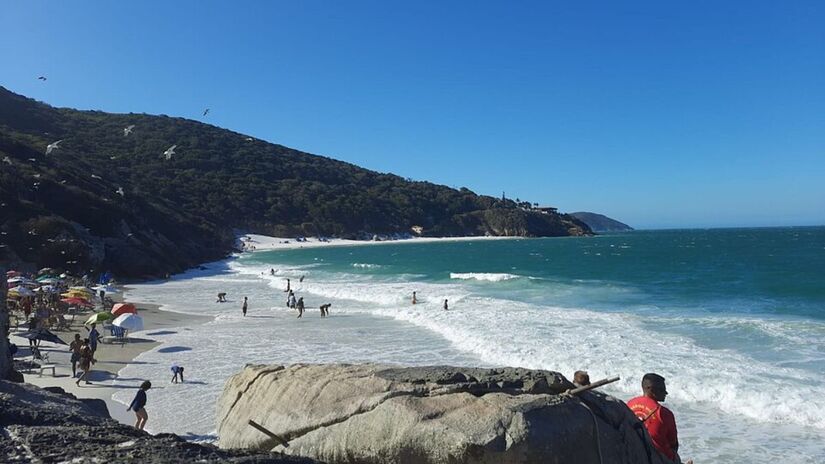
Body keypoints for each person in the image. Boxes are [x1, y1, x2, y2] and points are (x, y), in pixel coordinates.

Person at [627, 373, 691, 463]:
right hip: (658, 458)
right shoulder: (664, 413)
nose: (666, 393)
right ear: (651, 389)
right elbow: (673, 444)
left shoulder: (630, 404)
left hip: (635, 453)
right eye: (662, 389)